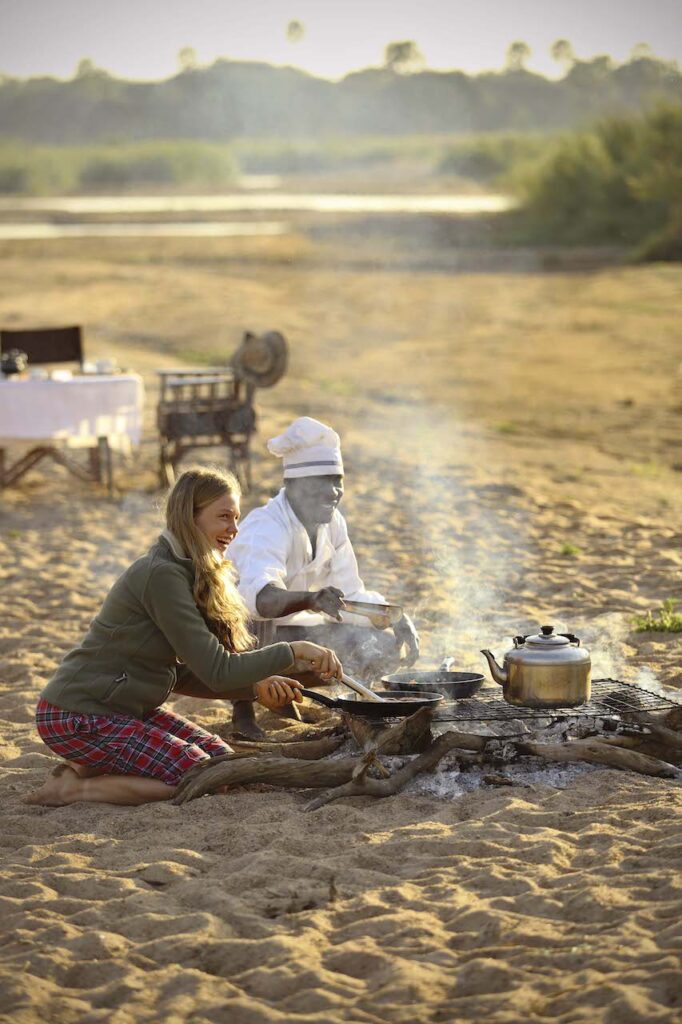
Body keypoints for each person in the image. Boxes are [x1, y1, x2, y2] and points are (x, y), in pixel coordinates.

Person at [25, 467, 342, 807]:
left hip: (121, 708)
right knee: (203, 775)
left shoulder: (190, 570)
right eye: (223, 517)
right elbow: (218, 670)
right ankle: (73, 789)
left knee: (223, 760)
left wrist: (255, 687)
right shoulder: (162, 575)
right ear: (190, 518)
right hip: (79, 715)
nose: (234, 530)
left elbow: (184, 673)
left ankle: (86, 766)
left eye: (236, 518)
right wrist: (292, 651)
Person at [227, 417, 420, 737]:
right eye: (323, 482)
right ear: (293, 485)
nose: (334, 492)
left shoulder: (333, 523)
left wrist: (393, 615)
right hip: (241, 644)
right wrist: (311, 599)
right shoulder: (267, 526)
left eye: (338, 481)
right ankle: (243, 710)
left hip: (293, 638)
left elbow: (349, 595)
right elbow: (260, 599)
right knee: (252, 614)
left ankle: (346, 705)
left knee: (381, 643)